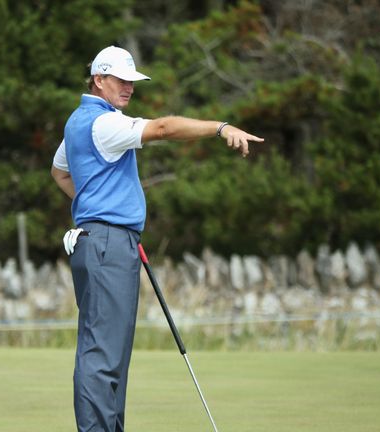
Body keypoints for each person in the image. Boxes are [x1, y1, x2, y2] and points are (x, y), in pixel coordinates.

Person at [51, 46, 264, 432]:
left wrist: (100, 209)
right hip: (106, 245)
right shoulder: (104, 124)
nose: (129, 88)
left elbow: (61, 173)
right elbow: (164, 129)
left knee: (111, 352)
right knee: (102, 354)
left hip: (105, 241)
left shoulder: (77, 122)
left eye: (132, 82)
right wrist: (220, 127)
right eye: (121, 80)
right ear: (99, 79)